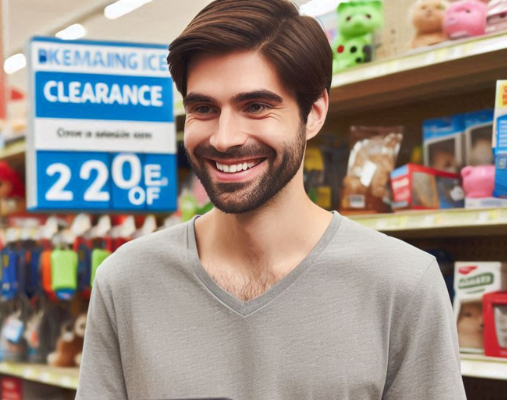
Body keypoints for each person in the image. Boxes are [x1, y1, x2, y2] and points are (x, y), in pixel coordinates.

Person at [76, 1, 467, 399]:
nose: (224, 137)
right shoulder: (126, 280)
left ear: (313, 113)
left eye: (256, 106)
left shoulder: (403, 282)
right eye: (204, 108)